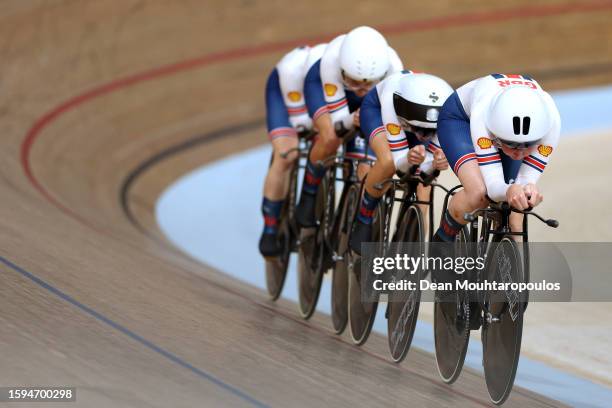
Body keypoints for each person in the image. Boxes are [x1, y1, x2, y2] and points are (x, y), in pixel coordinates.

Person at [295, 26, 404, 228]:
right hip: (324, 88)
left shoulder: (395, 69)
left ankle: (355, 210)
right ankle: (309, 194)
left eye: (369, 84)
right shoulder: (331, 60)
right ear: (343, 70)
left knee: (369, 162)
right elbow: (339, 124)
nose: (361, 90)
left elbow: (388, 121)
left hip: (372, 103)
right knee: (330, 137)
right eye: (355, 82)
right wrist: (351, 120)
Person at [432, 74, 561, 244]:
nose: (519, 154)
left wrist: (527, 189)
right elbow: (493, 186)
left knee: (516, 216)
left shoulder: (551, 122)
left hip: (503, 127)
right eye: (511, 144)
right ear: (496, 136)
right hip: (460, 120)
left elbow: (526, 179)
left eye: (528, 145)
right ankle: (443, 239)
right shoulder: (482, 116)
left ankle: (514, 267)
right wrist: (509, 190)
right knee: (478, 194)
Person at [349, 71, 455, 253]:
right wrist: (408, 158)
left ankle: (410, 248)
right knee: (387, 161)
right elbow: (399, 164)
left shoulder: (447, 114)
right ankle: (364, 216)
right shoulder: (391, 98)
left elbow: (426, 170)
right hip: (378, 113)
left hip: (417, 118)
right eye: (420, 131)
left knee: (423, 188)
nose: (423, 136)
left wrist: (435, 164)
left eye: (428, 132)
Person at [259, 44, 327, 257]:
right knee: (287, 154)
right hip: (285, 94)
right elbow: (301, 124)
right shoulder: (292, 69)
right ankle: (270, 227)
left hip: (324, 96)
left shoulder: (342, 70)